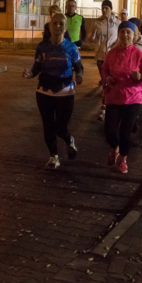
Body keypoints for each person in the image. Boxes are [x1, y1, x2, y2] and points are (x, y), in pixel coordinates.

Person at [23, 13, 83, 169]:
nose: (57, 26)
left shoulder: (72, 48)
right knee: (48, 125)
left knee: (61, 127)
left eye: (61, 23)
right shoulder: (42, 47)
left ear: (65, 27)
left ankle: (69, 140)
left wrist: (80, 75)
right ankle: (53, 156)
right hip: (44, 92)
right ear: (49, 26)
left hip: (65, 92)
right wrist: (29, 74)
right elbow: (36, 68)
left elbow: (79, 67)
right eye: (54, 23)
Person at [102, 21, 142, 174]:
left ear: (133, 36)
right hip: (113, 97)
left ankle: (123, 159)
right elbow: (105, 70)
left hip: (132, 99)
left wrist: (141, 77)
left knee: (125, 133)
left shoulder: (138, 54)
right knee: (109, 132)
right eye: (122, 32)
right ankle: (114, 148)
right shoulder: (111, 54)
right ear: (118, 34)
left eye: (128, 32)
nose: (125, 35)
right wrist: (107, 78)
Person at [87, 0, 120, 119]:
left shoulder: (117, 22)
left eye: (107, 8)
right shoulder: (97, 22)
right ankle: (107, 101)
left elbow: (119, 38)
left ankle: (105, 106)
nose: (104, 10)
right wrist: (91, 37)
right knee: (104, 78)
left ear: (111, 9)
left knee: (108, 80)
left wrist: (113, 47)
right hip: (100, 55)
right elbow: (90, 37)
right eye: (103, 8)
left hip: (112, 56)